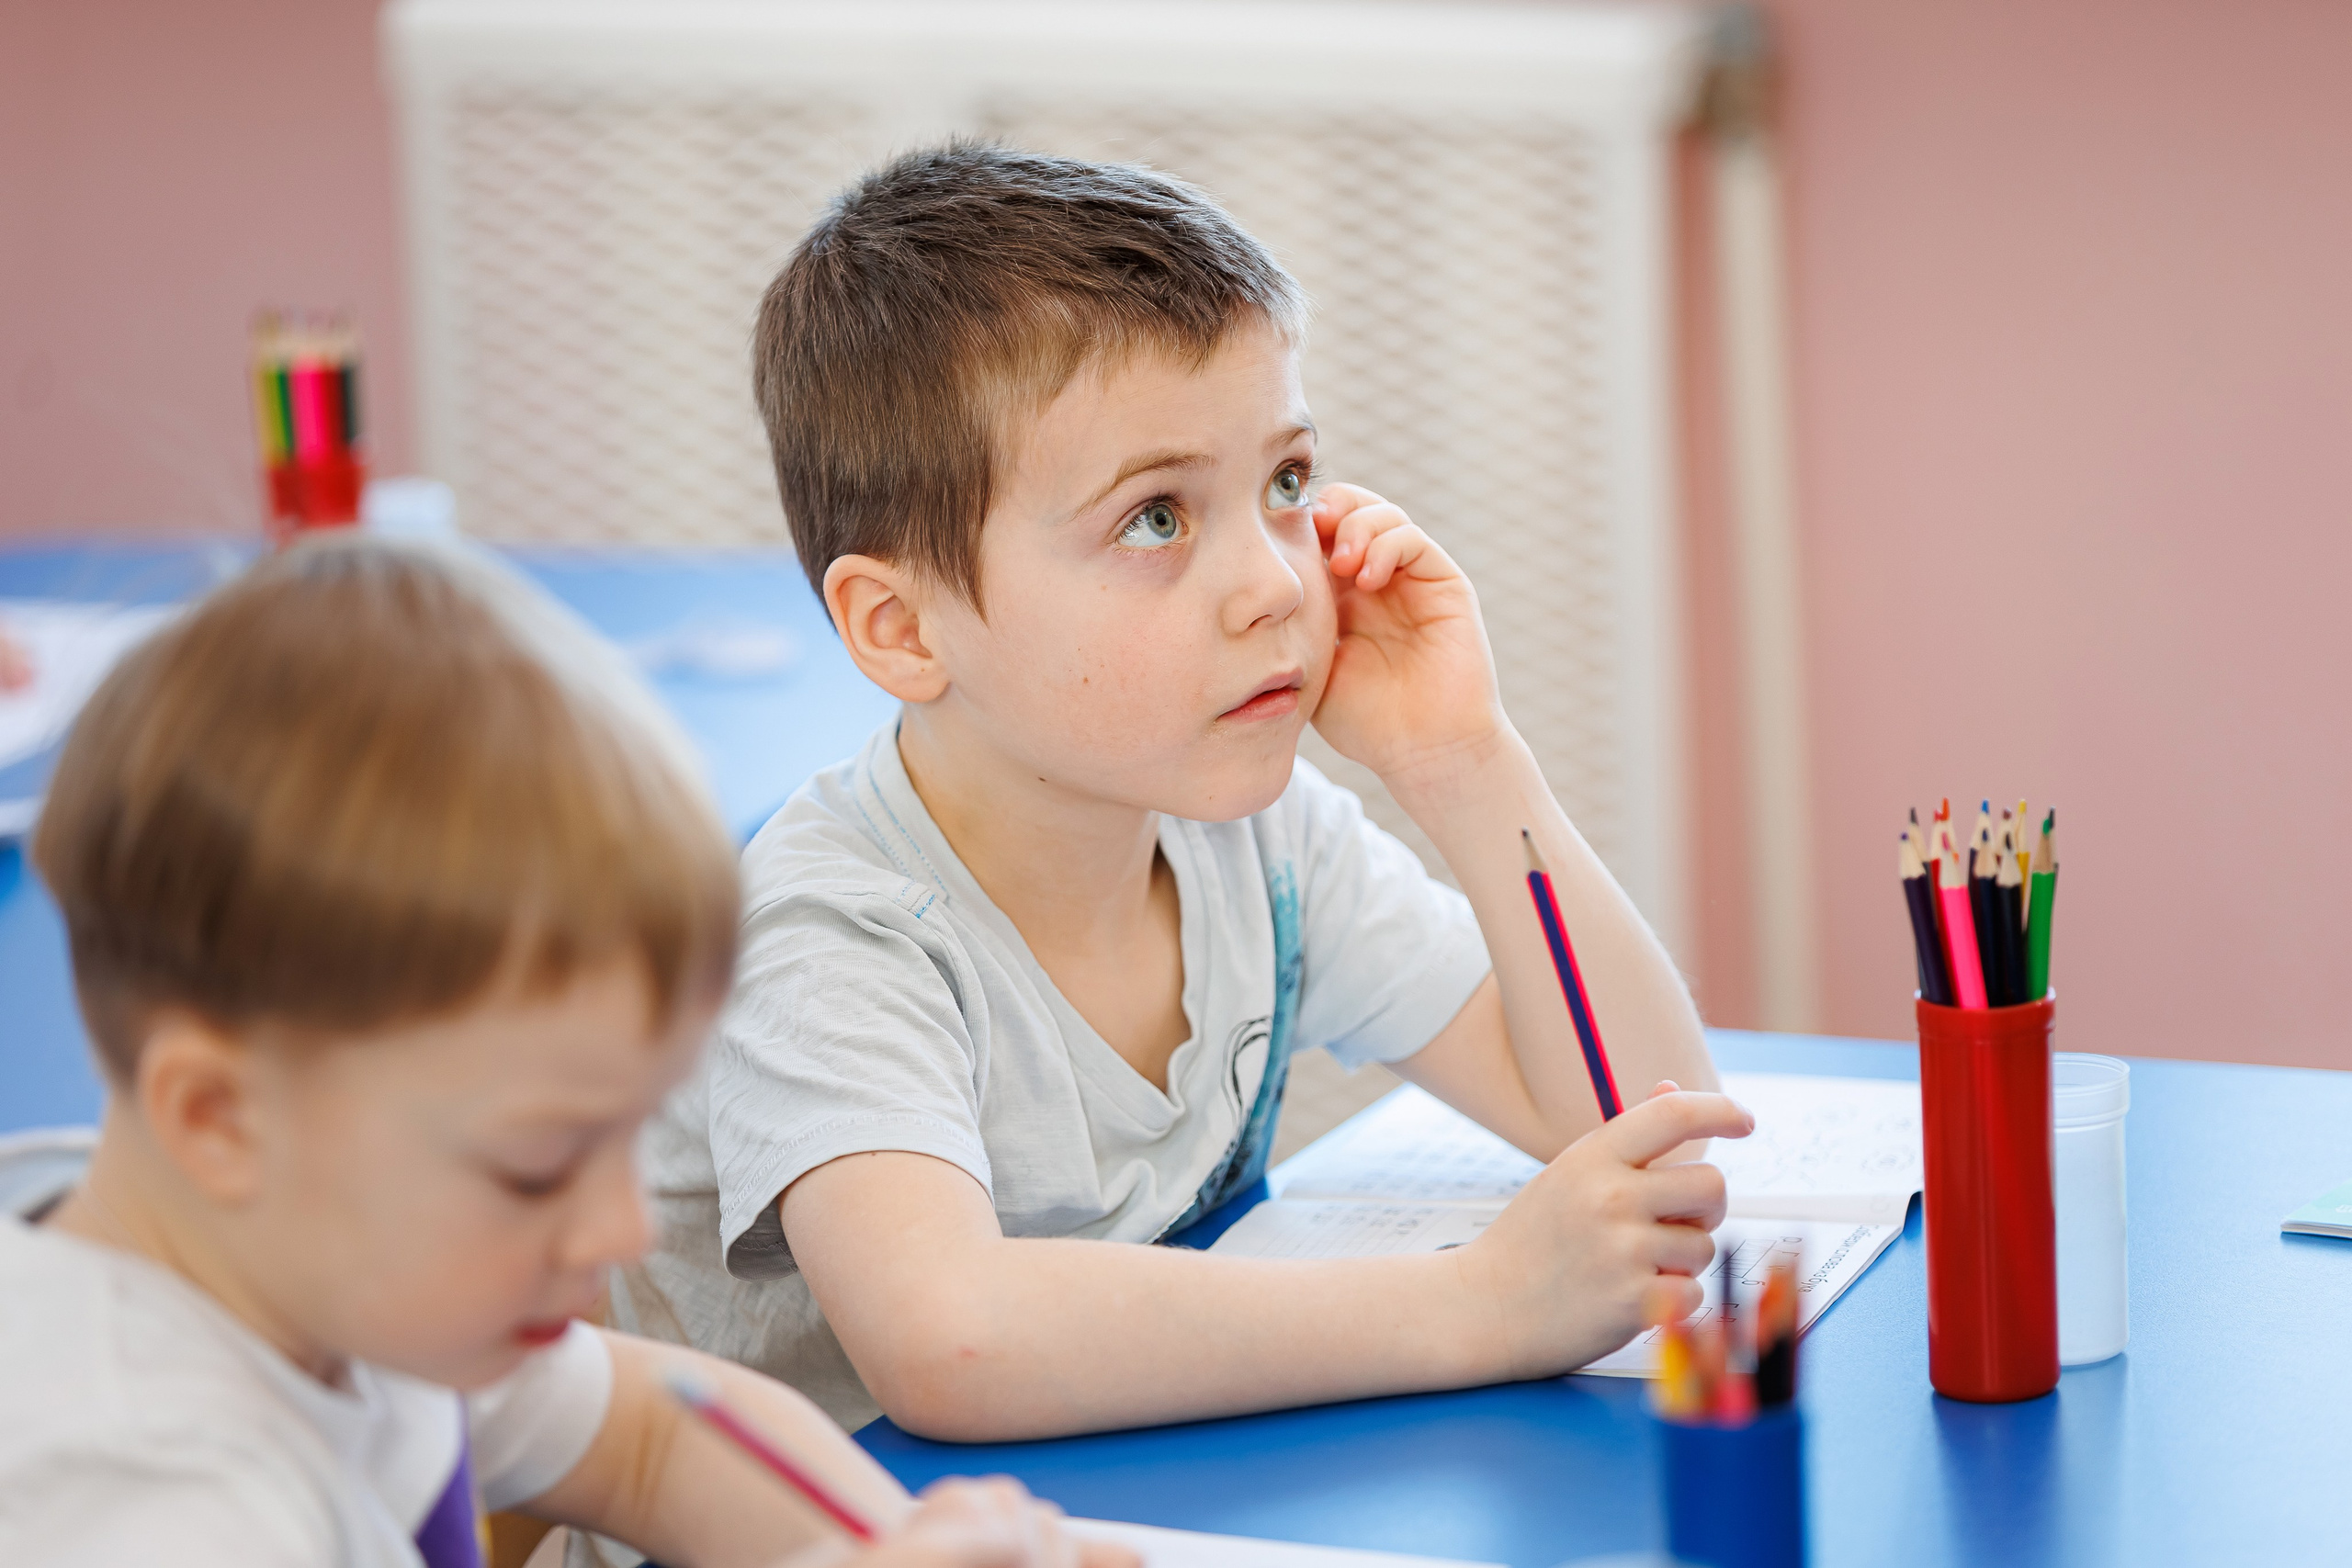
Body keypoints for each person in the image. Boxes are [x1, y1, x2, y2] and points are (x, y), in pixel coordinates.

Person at [628, 141, 1753, 1443]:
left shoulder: (1253, 841)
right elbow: (952, 1335)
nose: (1277, 580)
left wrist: (1467, 760)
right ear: (901, 627)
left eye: (1284, 484)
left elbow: (1645, 1122)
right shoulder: (828, 933)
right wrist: (1483, 1303)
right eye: (1155, 517)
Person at [0, 536, 1127, 1568]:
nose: (622, 1227)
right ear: (219, 1120)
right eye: (537, 1166)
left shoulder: (314, 1259)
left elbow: (655, 1432)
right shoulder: (147, 1503)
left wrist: (882, 1543)